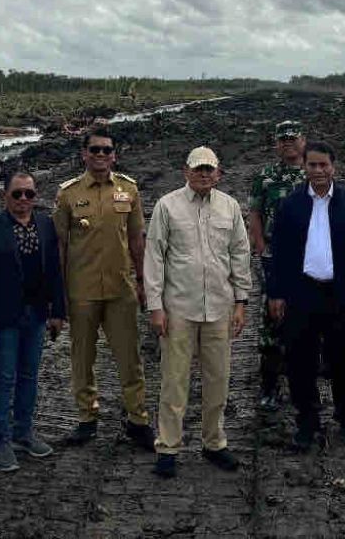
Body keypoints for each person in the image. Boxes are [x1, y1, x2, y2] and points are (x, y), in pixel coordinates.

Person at [145, 147, 251, 478]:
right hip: (179, 308)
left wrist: (241, 301)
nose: (204, 175)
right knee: (174, 380)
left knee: (218, 378)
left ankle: (214, 442)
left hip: (219, 307)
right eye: (198, 169)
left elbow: (239, 253)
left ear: (219, 173)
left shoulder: (229, 207)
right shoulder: (167, 206)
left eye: (210, 170)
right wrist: (155, 306)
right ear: (186, 171)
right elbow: (155, 257)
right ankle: (168, 447)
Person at [268, 141, 345, 451]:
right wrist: (276, 292)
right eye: (312, 165)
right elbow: (279, 253)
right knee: (300, 360)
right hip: (302, 293)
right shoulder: (290, 205)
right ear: (304, 167)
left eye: (323, 165)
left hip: (340, 295)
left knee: (343, 358)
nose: (318, 171)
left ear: (333, 167)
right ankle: (307, 420)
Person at [53, 127, 154, 450]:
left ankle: (138, 420)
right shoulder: (67, 194)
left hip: (120, 289)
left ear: (114, 155)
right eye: (94, 150)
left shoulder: (129, 190)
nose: (100, 155)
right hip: (80, 291)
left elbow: (138, 240)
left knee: (130, 358)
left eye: (106, 151)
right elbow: (60, 246)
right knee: (82, 358)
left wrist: (143, 282)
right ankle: (86, 419)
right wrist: (58, 295)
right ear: (84, 154)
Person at [0, 172, 67, 473]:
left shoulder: (45, 225)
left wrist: (57, 312)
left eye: (29, 194)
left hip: (36, 315)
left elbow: (54, 271)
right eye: (17, 194)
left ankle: (24, 433)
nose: (24, 200)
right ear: (5, 196)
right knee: (4, 378)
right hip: (4, 318)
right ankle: (1, 440)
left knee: (29, 376)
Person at [247, 120, 305, 410]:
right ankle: (269, 386)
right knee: (272, 319)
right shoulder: (266, 176)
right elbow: (255, 212)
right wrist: (259, 245)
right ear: (276, 145)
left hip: (310, 260)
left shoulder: (316, 172)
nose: (287, 144)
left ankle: (305, 382)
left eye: (292, 138)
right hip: (275, 257)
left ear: (302, 141)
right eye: (282, 140)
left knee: (309, 320)